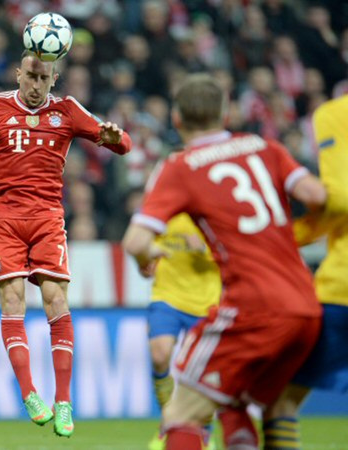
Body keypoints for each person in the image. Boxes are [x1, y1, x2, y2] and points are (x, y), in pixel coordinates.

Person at [122, 74, 327, 450]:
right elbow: (316, 194)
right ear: (226, 113)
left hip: (252, 308)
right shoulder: (265, 147)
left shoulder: (180, 166)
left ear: (176, 118)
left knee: (181, 415)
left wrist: (145, 257)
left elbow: (135, 240)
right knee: (244, 406)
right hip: (306, 307)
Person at [0, 50, 132, 437]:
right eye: (30, 76)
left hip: (47, 218)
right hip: (4, 219)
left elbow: (122, 144)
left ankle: (63, 401)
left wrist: (116, 139)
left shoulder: (68, 111)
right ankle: (29, 393)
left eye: (44, 79)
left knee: (56, 301)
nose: (36, 85)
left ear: (54, 80)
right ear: (18, 73)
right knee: (13, 302)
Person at [262, 94, 348, 449]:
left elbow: (341, 197)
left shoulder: (336, 113)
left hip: (343, 290)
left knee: (279, 401)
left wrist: (290, 235)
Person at [136, 213, 220, 450]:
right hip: (167, 298)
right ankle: (169, 423)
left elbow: (237, 255)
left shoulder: (212, 214)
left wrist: (204, 248)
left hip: (207, 304)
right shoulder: (165, 213)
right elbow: (140, 246)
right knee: (160, 356)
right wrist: (144, 263)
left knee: (201, 373)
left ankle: (203, 432)